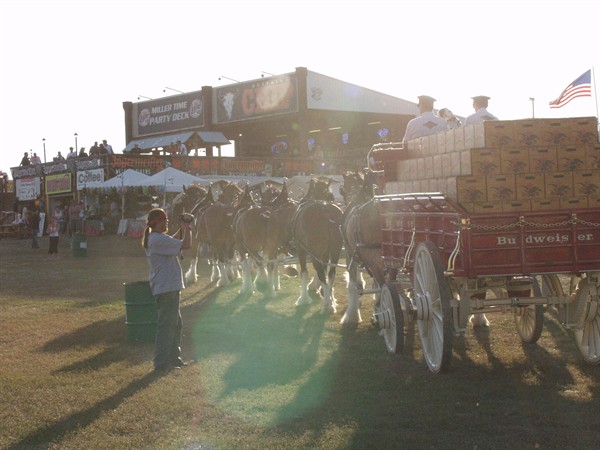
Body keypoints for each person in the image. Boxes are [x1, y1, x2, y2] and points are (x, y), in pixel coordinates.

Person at [142, 208, 194, 373]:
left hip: (168, 287)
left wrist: (182, 228)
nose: (166, 223)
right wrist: (187, 228)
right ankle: (162, 363)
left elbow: (172, 241)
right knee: (166, 326)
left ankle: (174, 359)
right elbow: (186, 244)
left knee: (176, 324)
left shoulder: (157, 238)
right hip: (167, 288)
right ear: (156, 223)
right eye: (164, 220)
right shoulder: (157, 239)